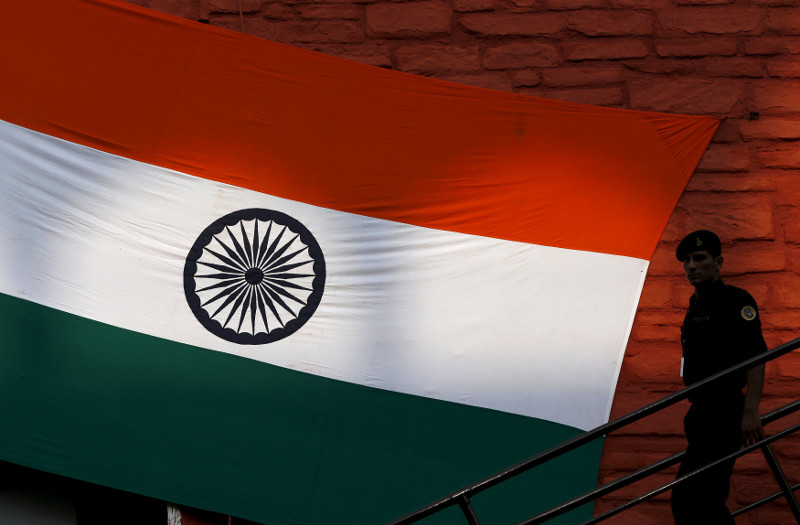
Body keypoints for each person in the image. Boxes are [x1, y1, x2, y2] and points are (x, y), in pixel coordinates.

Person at [670, 230, 767, 525]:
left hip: (724, 411)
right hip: (700, 412)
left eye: (699, 258)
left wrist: (750, 411)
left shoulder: (735, 300)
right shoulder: (694, 306)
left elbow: (756, 356)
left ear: (718, 262)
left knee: (691, 498)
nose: (691, 266)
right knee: (703, 500)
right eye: (687, 260)